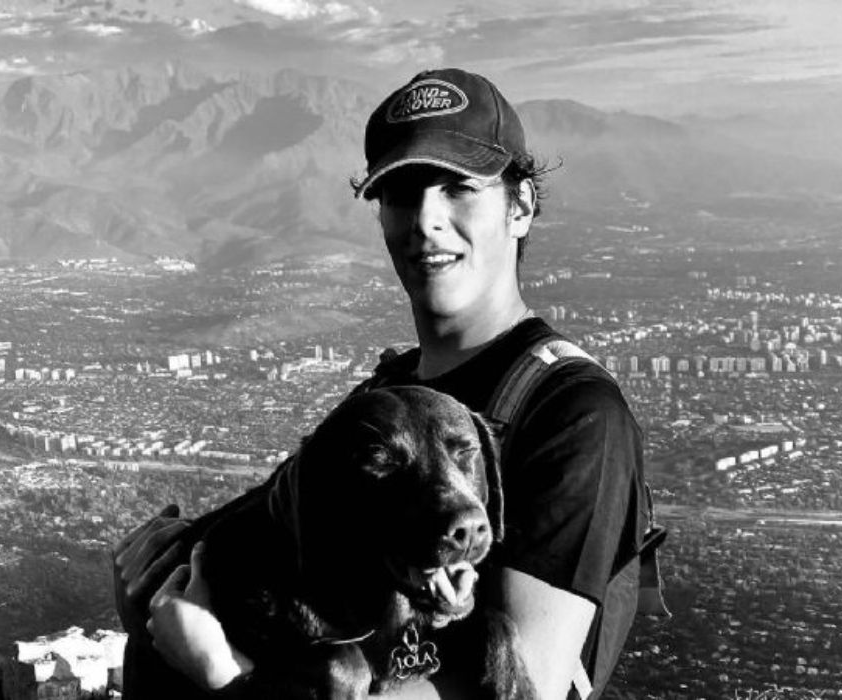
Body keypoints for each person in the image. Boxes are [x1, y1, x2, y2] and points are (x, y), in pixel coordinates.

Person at [113, 67, 652, 699]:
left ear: (521, 206)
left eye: (459, 188)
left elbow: (523, 688)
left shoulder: (572, 412)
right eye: (400, 195)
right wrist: (153, 587)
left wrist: (223, 675)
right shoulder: (386, 397)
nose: (426, 219)